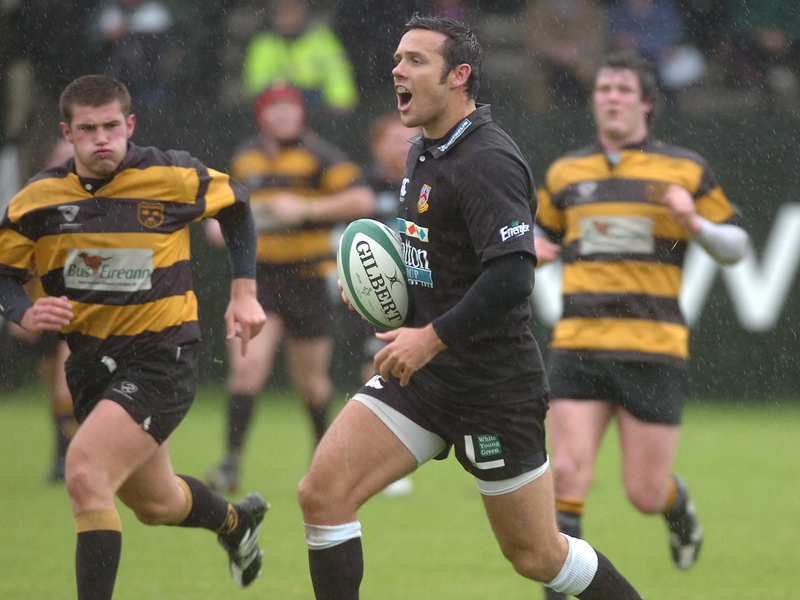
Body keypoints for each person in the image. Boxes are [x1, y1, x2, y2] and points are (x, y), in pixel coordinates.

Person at [297, 15, 643, 600]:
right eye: (397, 58)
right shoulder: (421, 152)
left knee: (537, 555)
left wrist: (429, 336)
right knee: (321, 493)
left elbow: (511, 275)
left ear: (459, 76)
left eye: (415, 61)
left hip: (492, 386)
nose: (396, 70)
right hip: (423, 379)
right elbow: (433, 261)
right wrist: (385, 301)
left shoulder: (489, 159)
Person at [0, 74, 269, 599]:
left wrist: (244, 292)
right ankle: (237, 523)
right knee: (157, 504)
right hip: (88, 363)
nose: (101, 138)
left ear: (130, 125)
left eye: (110, 126)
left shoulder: (170, 174)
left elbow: (237, 205)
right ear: (68, 132)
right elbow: (4, 273)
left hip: (160, 358)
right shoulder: (39, 200)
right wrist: (23, 313)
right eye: (87, 129)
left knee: (84, 469)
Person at [534, 51, 749, 599]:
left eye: (624, 89)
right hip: (578, 343)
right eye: (603, 88)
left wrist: (694, 222)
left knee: (644, 494)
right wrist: (532, 251)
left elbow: (736, 247)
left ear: (647, 103)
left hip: (653, 348)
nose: (611, 97)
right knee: (568, 474)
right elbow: (541, 240)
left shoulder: (684, 169)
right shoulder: (565, 173)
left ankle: (679, 513)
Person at [205, 81, 375, 495]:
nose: (283, 115)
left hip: (307, 279)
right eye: (274, 108)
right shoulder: (245, 157)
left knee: (312, 383)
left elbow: (362, 201)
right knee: (246, 369)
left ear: (302, 114)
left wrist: (308, 208)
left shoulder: (321, 155)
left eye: (290, 108)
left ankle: (324, 458)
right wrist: (218, 225)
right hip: (258, 279)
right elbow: (229, 210)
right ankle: (230, 462)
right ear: (261, 115)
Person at [342, 112, 421, 498]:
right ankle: (381, 456)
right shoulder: (363, 184)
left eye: (407, 138)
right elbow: (348, 240)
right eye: (391, 139)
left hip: (425, 295)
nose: (399, 146)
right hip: (378, 293)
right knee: (377, 364)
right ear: (376, 146)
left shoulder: (427, 179)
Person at [3, 137, 77, 483]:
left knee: (66, 388)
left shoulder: (95, 209)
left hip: (78, 313)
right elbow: (21, 267)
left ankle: (73, 460)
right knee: (55, 393)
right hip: (44, 311)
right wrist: (19, 312)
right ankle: (62, 457)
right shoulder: (34, 211)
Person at [241, 0, 359, 115]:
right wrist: (277, 87)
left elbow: (337, 71)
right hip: (280, 101)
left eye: (293, 12)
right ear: (273, 16)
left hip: (317, 103)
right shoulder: (263, 43)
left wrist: (340, 101)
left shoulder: (321, 38)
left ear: (304, 13)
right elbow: (255, 80)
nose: (289, 18)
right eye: (283, 13)